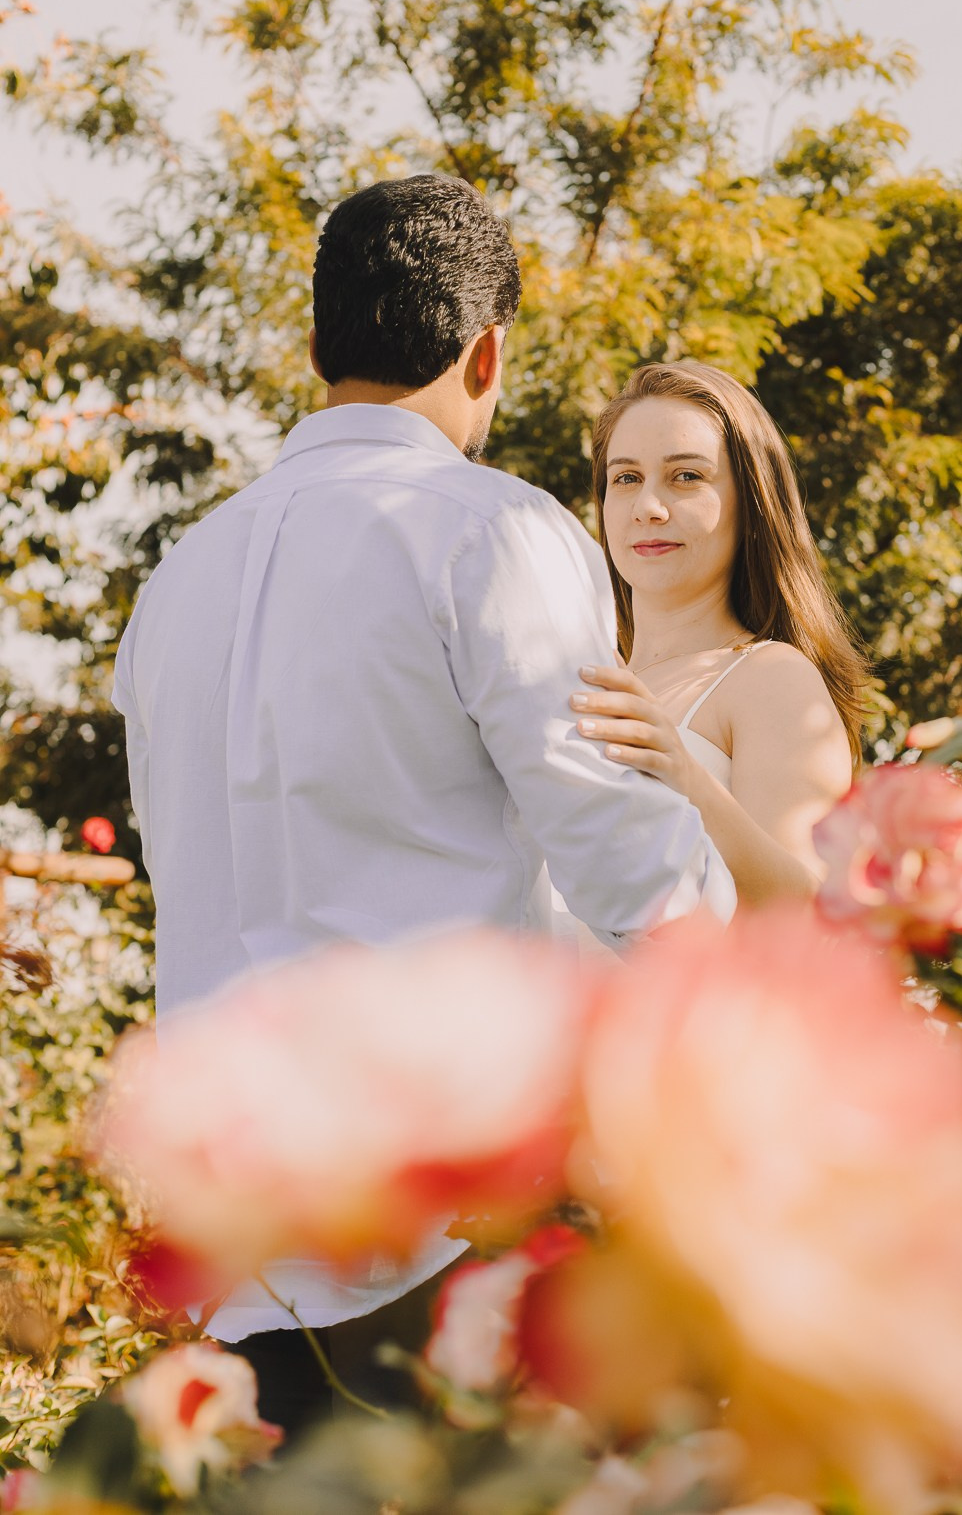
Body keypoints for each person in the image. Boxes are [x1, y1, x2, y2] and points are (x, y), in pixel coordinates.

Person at [111, 177, 735, 1439]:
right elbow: (631, 862)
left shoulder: (176, 579)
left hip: (245, 1262)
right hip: (450, 1237)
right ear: (486, 350)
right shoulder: (492, 532)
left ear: (314, 346)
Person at [569, 360, 870, 906]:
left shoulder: (769, 676)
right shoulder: (579, 677)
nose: (649, 508)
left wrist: (688, 779)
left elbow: (808, 915)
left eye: (686, 476)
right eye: (626, 478)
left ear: (751, 502)